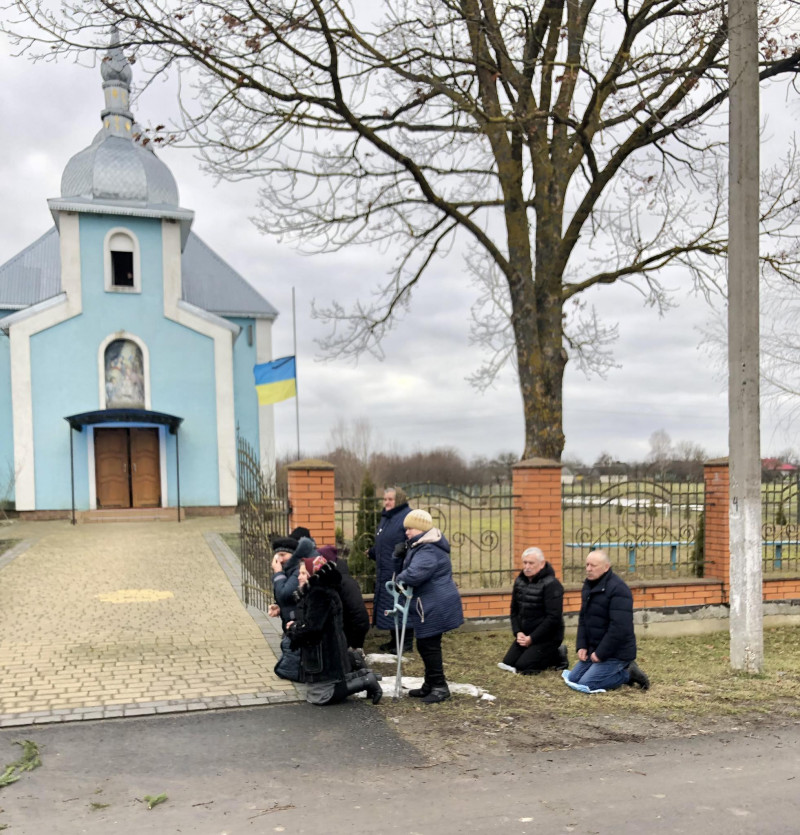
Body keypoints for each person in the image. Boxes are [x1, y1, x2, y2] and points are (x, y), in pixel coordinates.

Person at [288, 561, 383, 706]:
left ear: (313, 574)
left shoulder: (318, 594)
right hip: (329, 653)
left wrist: (294, 629)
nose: (299, 577)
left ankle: (366, 681)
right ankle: (365, 676)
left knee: (321, 696)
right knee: (317, 692)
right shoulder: (321, 590)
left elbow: (313, 628)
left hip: (325, 656)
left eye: (303, 573)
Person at [395, 509, 464, 704]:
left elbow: (414, 574)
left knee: (429, 646)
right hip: (429, 603)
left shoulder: (428, 550)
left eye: (410, 528)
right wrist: (400, 557)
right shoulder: (420, 546)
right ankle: (430, 684)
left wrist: (400, 577)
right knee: (426, 644)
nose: (406, 532)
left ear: (421, 528)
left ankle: (440, 687)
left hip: (436, 604)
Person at [563, 549, 650, 693]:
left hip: (616, 652)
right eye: (587, 565)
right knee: (573, 678)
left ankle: (628, 673)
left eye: (593, 566)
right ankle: (607, 669)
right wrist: (582, 646)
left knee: (587, 684)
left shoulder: (619, 590)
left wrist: (601, 653)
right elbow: (584, 618)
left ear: (606, 567)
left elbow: (619, 628)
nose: (588, 569)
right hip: (594, 648)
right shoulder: (588, 586)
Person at [498, 547, 568, 675]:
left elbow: (553, 618)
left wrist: (532, 638)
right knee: (508, 662)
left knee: (524, 666)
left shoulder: (552, 585)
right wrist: (518, 632)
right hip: (526, 634)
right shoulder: (520, 581)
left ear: (541, 564)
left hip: (547, 636)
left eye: (531, 563)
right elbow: (514, 610)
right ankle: (536, 652)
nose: (527, 567)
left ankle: (558, 655)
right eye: (525, 563)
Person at [369, 487, 414, 653]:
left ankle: (406, 643)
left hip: (400, 569)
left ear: (399, 500)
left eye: (390, 499)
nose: (387, 502)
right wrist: (374, 552)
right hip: (385, 570)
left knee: (402, 605)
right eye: (385, 499)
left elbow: (410, 541)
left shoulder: (407, 516)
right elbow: (387, 543)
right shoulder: (387, 517)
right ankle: (394, 641)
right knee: (391, 605)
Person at [316, 546, 371, 650]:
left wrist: (355, 645)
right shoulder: (325, 581)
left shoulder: (345, 583)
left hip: (347, 639)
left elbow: (360, 617)